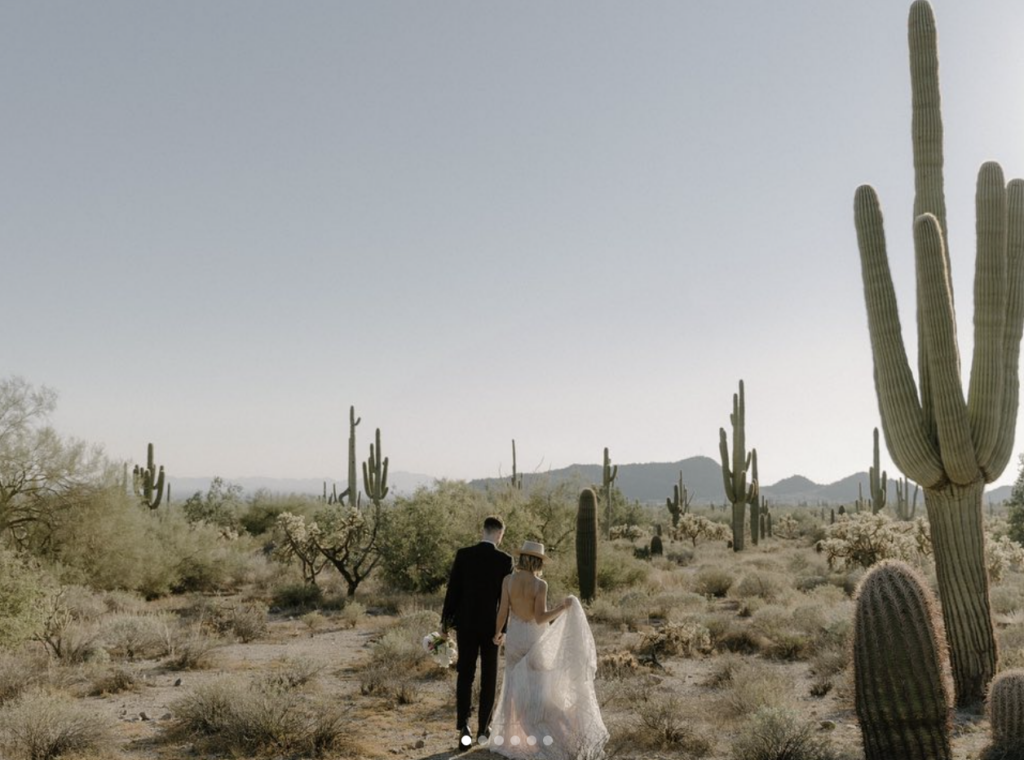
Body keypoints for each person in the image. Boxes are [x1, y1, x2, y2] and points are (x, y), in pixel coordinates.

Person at [487, 540, 608, 759]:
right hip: (534, 639)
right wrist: (562, 607)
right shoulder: (540, 585)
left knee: (515, 689)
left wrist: (498, 633)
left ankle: (515, 736)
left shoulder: (508, 580)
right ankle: (546, 735)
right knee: (540, 691)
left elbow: (502, 610)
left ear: (523, 558)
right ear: (538, 561)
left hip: (514, 638)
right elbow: (540, 617)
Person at [441, 516, 514, 753]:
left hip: (466, 624)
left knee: (465, 674)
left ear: (483, 530)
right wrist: (503, 630)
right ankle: (484, 729)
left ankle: (464, 729)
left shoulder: (464, 555)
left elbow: (453, 590)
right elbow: (505, 600)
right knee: (489, 676)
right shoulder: (504, 560)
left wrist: (445, 622)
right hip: (492, 627)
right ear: (499, 534)